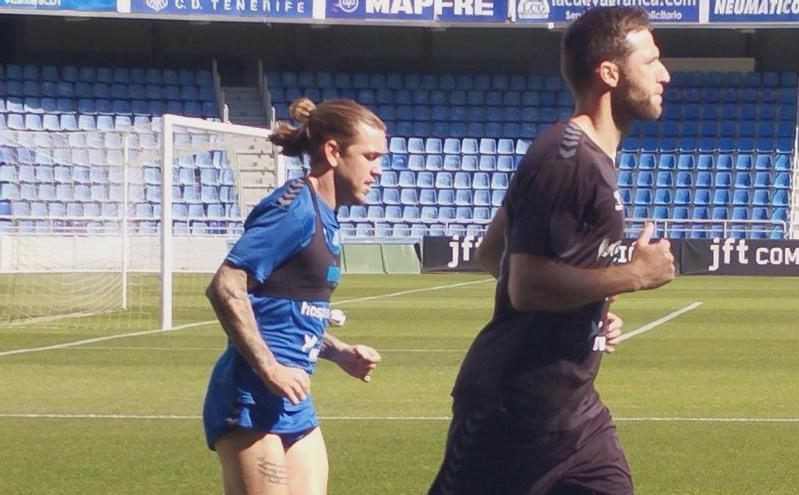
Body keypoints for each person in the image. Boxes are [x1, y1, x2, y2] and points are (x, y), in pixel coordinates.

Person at [428, 6, 676, 495]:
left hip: (573, 412)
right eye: (650, 62)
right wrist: (633, 275)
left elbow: (490, 253)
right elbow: (526, 286)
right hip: (512, 409)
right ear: (609, 73)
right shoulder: (567, 157)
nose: (664, 74)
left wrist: (587, 309)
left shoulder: (579, 154)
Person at [202, 97, 385, 495]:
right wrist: (270, 369)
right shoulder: (295, 209)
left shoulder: (324, 216)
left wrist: (338, 352)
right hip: (251, 398)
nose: (378, 169)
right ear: (333, 152)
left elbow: (290, 313)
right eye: (370, 156)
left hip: (293, 401)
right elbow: (226, 285)